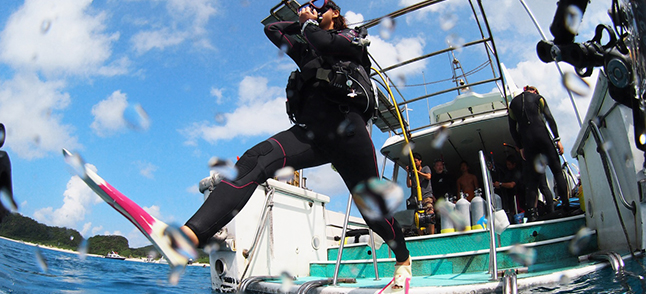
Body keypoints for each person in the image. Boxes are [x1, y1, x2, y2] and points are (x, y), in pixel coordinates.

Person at [179, 1, 411, 289]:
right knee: (257, 158)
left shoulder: (350, 40)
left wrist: (307, 23)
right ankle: (192, 235)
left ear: (335, 13)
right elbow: (272, 29)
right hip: (310, 135)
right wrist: (303, 20)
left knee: (373, 212)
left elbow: (322, 40)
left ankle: (403, 259)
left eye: (319, 5)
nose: (311, 7)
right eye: (308, 5)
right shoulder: (306, 49)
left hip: (349, 134)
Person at [508, 85, 569, 222]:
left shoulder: (513, 105)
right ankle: (565, 205)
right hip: (542, 137)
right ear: (534, 91)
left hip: (528, 143)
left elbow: (512, 129)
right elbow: (549, 118)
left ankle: (532, 213)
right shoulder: (538, 98)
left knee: (533, 180)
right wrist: (557, 139)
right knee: (557, 171)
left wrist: (520, 146)